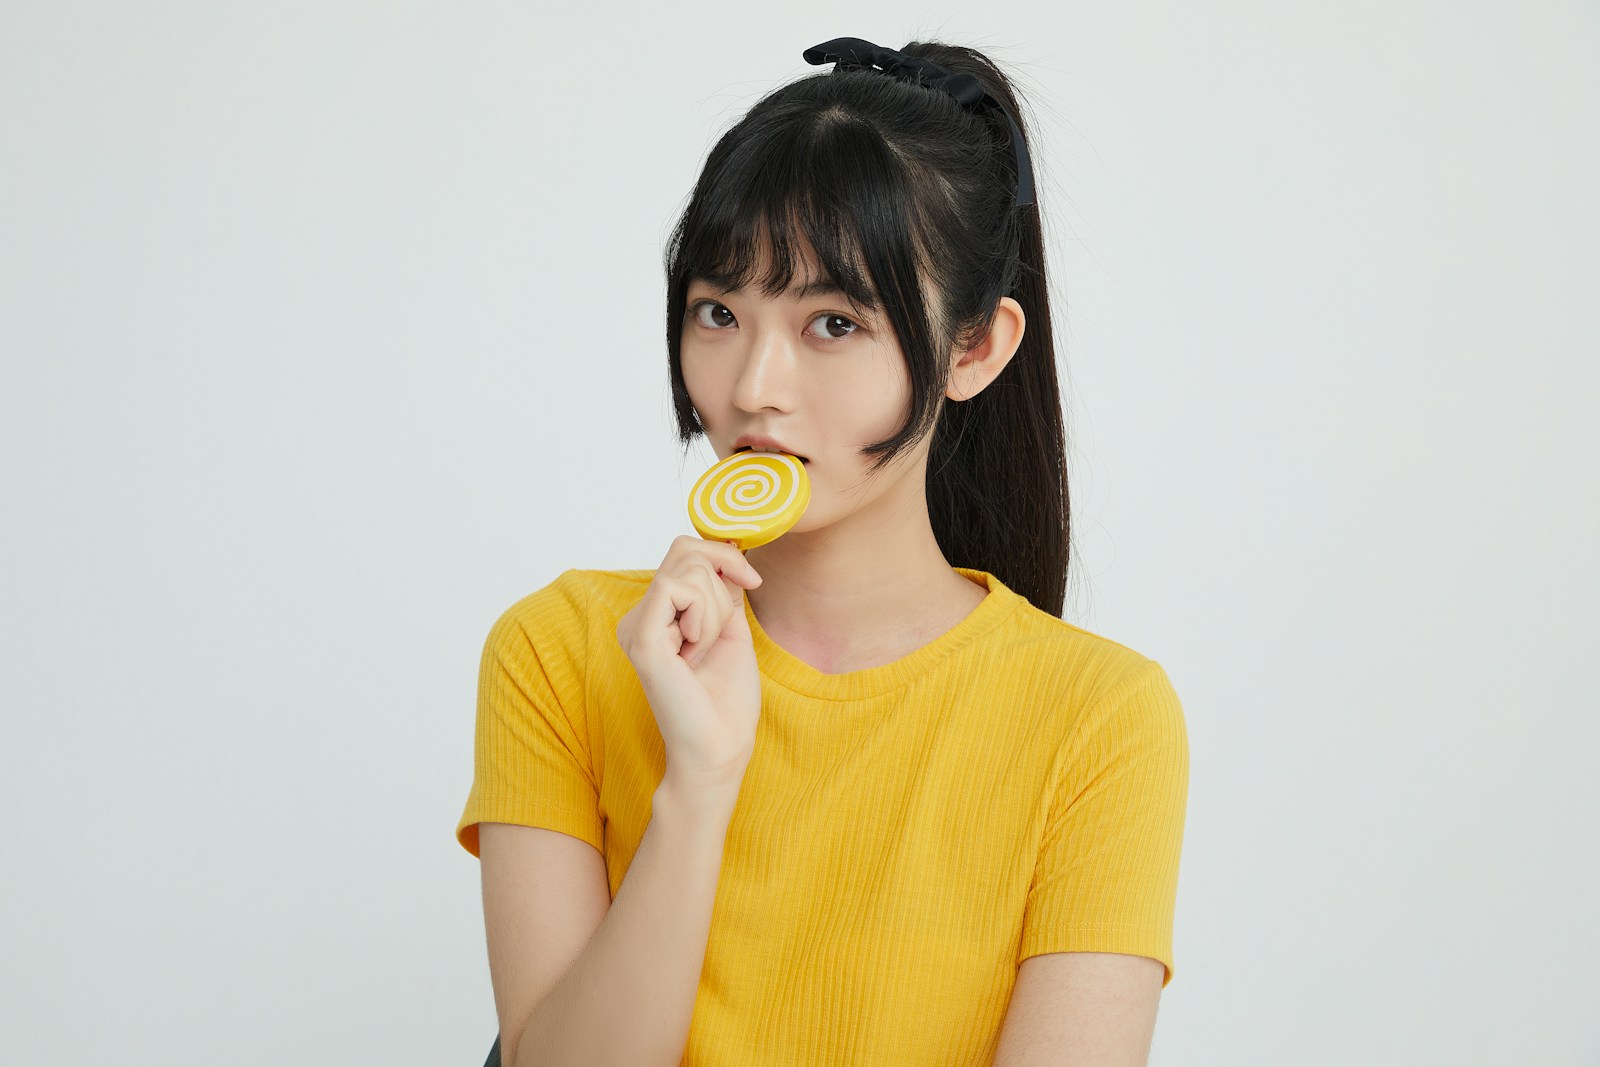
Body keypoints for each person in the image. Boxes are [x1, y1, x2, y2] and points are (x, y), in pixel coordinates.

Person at [455, 36, 1189, 1067]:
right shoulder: (561, 650)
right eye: (719, 311)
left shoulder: (1098, 718)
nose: (754, 383)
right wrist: (698, 785)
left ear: (973, 348)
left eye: (832, 323)